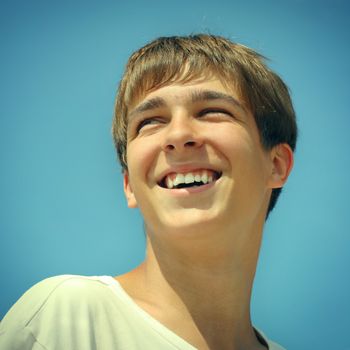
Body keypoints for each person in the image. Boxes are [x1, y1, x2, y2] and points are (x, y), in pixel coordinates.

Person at [0, 34, 297, 350]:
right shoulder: (64, 320)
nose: (179, 134)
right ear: (129, 185)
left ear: (276, 165)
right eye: (150, 121)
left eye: (213, 111)